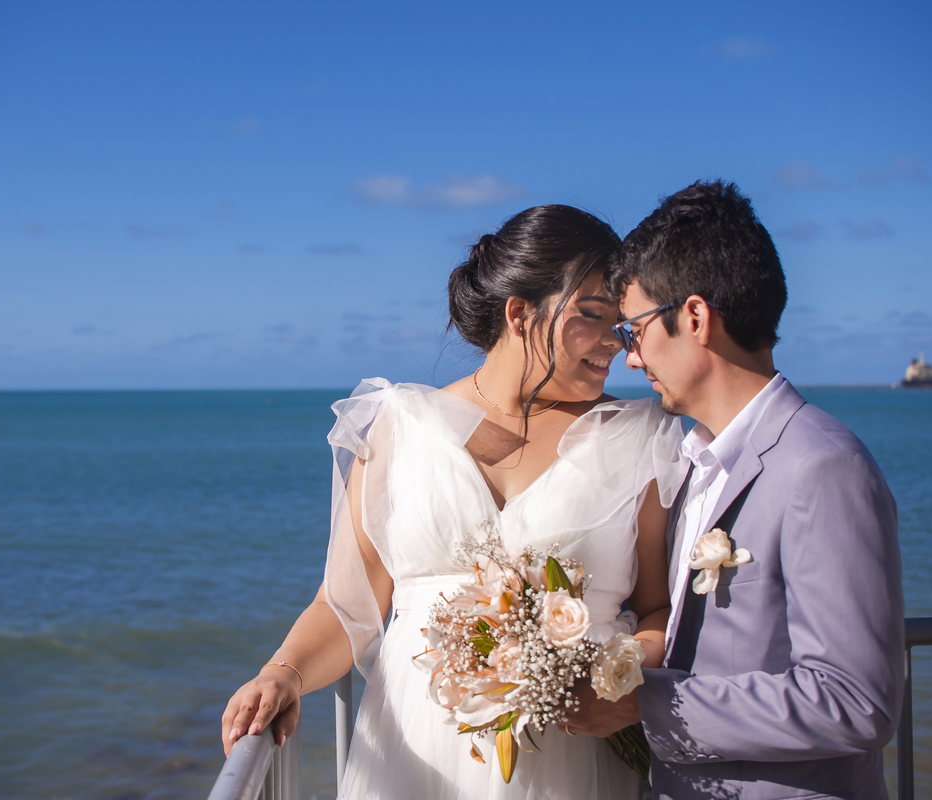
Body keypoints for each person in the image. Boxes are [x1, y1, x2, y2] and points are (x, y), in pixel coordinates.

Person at [221, 204, 690, 799]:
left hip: (574, 759)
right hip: (414, 760)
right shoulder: (397, 428)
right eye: (593, 316)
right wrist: (279, 676)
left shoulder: (639, 436)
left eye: (621, 323)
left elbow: (659, 613)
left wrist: (616, 680)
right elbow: (346, 609)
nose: (616, 346)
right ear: (520, 313)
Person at [565, 181, 905, 799]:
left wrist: (646, 702)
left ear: (694, 317)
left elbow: (855, 701)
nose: (630, 358)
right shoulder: (690, 462)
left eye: (633, 331)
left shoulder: (822, 467)